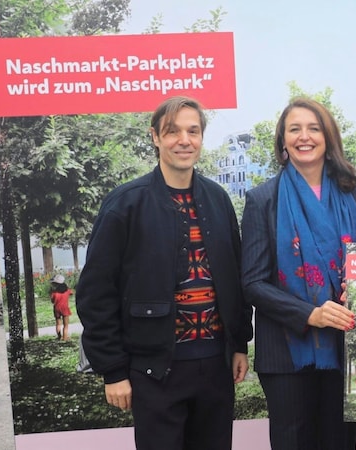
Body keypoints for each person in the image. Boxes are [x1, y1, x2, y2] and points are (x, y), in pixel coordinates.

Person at [76, 96, 253, 450]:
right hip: (154, 370)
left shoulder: (219, 200)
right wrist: (113, 370)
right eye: (172, 131)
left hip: (215, 367)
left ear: (202, 137)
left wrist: (238, 344)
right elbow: (96, 292)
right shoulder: (125, 204)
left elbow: (234, 278)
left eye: (193, 131)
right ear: (155, 137)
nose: (183, 140)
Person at [241, 97, 356, 450]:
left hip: (344, 346)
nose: (304, 136)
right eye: (294, 129)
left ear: (328, 137)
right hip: (286, 351)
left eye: (314, 128)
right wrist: (311, 314)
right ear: (282, 141)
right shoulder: (263, 199)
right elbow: (252, 283)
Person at [49, 274, 72, 341]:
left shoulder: (54, 293)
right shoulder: (67, 291)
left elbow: (52, 301)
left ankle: (59, 337)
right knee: (66, 325)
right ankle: (65, 338)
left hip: (57, 309)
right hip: (65, 308)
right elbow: (72, 292)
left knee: (58, 324)